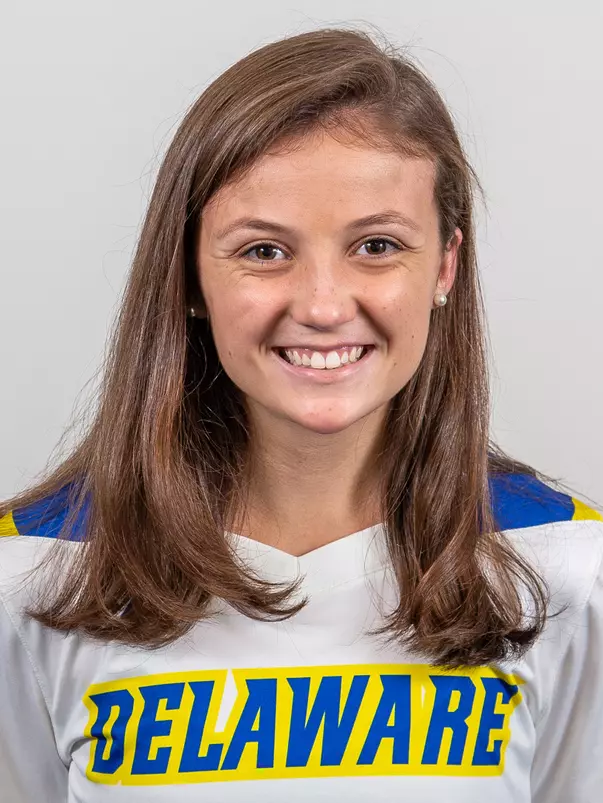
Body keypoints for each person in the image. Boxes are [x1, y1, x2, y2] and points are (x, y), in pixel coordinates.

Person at [0, 25, 601, 803]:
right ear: (187, 273)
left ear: (444, 266)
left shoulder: (561, 567)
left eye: (377, 245)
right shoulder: (34, 574)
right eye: (262, 251)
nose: (321, 305)